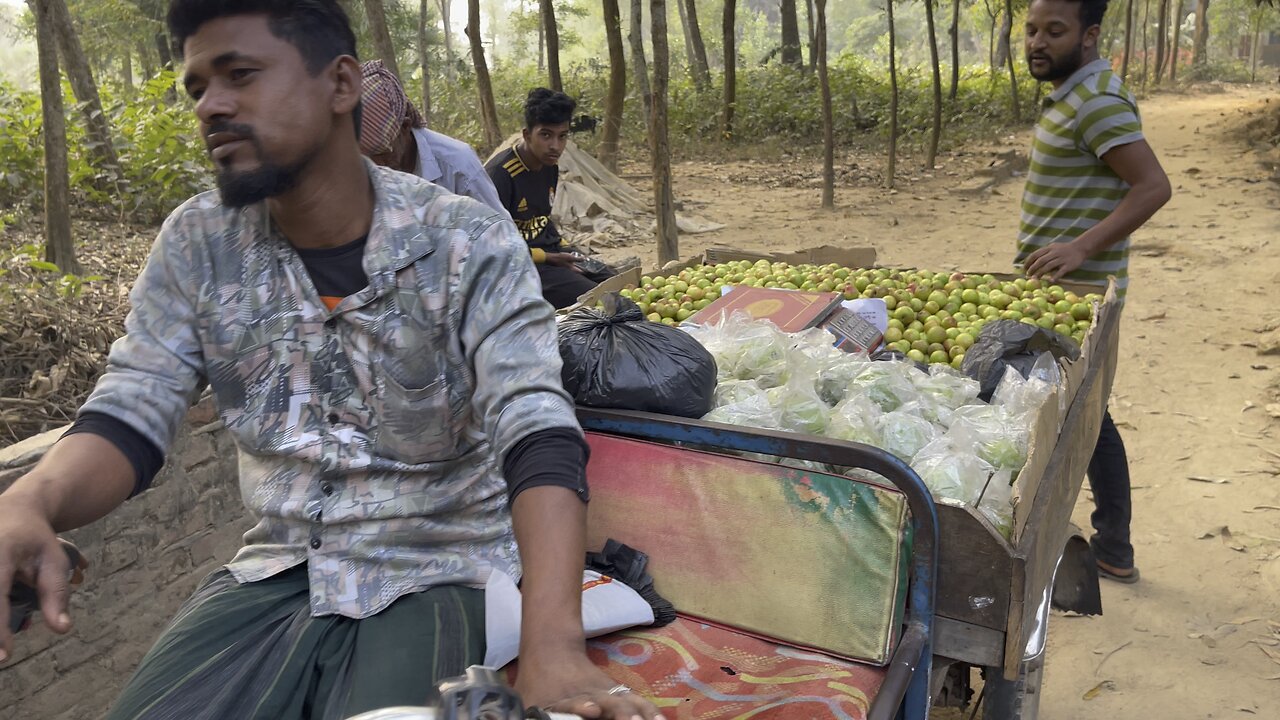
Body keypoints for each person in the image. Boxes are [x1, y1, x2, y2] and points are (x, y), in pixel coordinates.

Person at [0, 2, 658, 719]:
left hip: (435, 566)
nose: (212, 106)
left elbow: (536, 429)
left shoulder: (465, 243)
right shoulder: (197, 246)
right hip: (275, 569)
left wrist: (553, 645)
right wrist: (30, 500)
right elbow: (132, 412)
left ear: (340, 84)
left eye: (239, 75)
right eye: (197, 89)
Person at [1016, 0, 1172, 583]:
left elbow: (1153, 186)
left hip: (1076, 292)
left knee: (1085, 417)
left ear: (1089, 36)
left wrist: (1081, 248)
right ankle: (1110, 546)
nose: (1037, 41)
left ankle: (1111, 547)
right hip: (1053, 288)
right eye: (1031, 30)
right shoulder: (1071, 95)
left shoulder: (1097, 102)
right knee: (1081, 413)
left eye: (1054, 31)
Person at [485, 88, 613, 309]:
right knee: (594, 298)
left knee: (617, 282)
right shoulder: (501, 174)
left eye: (562, 136)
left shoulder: (549, 165)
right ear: (527, 135)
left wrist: (567, 249)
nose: (555, 146)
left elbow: (543, 220)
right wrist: (548, 257)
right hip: (518, 265)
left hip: (551, 254)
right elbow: (491, 246)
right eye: (546, 135)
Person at [357, 59, 505, 214]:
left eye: (383, 153)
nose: (377, 164)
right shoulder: (362, 172)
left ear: (405, 127)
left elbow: (501, 233)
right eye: (368, 156)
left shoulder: (459, 166)